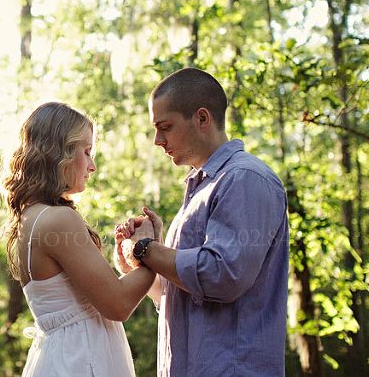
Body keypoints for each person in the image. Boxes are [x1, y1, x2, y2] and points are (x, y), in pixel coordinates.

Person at [116, 67, 289, 377]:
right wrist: (140, 265)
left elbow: (222, 274)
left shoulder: (244, 179)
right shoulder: (200, 190)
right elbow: (176, 298)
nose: (157, 140)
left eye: (165, 126)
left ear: (202, 118)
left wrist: (146, 249)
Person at [1, 101, 156, 377]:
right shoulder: (57, 220)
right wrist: (150, 249)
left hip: (63, 355)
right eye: (87, 151)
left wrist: (130, 264)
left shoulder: (32, 216)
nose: (92, 165)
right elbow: (118, 304)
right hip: (82, 360)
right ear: (60, 152)